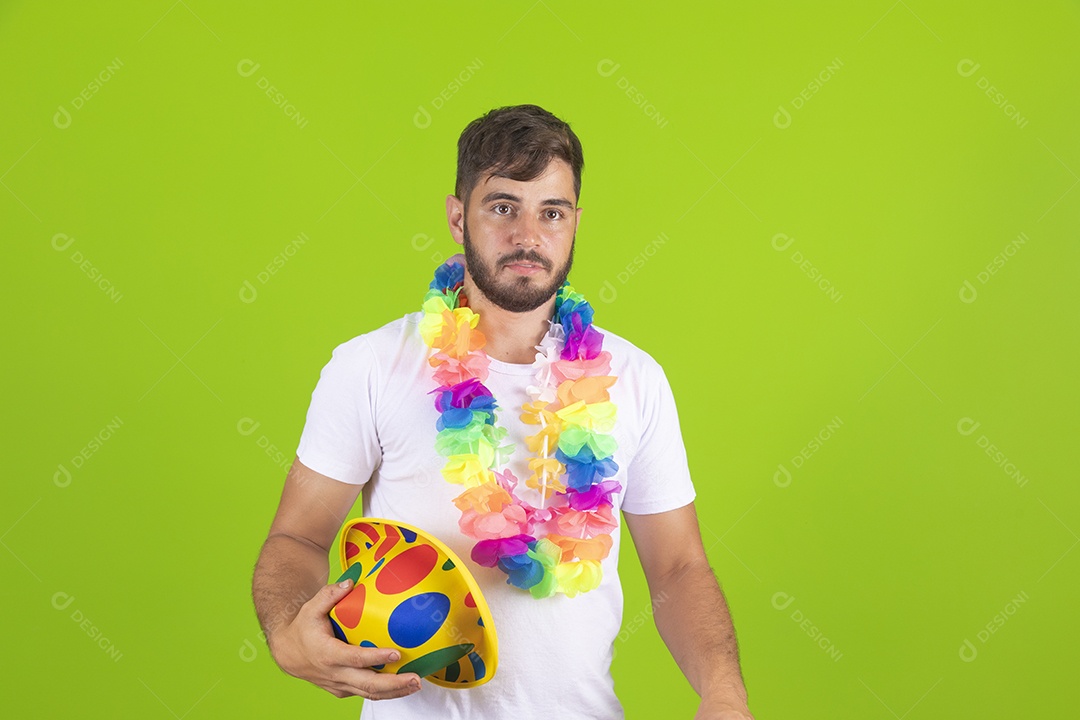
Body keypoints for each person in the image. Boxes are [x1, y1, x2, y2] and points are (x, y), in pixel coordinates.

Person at [251, 104, 753, 719]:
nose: (527, 236)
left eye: (552, 212)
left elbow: (677, 568)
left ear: (575, 222)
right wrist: (286, 634)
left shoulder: (636, 378)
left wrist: (723, 693)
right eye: (502, 207)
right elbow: (298, 535)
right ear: (458, 218)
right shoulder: (372, 366)